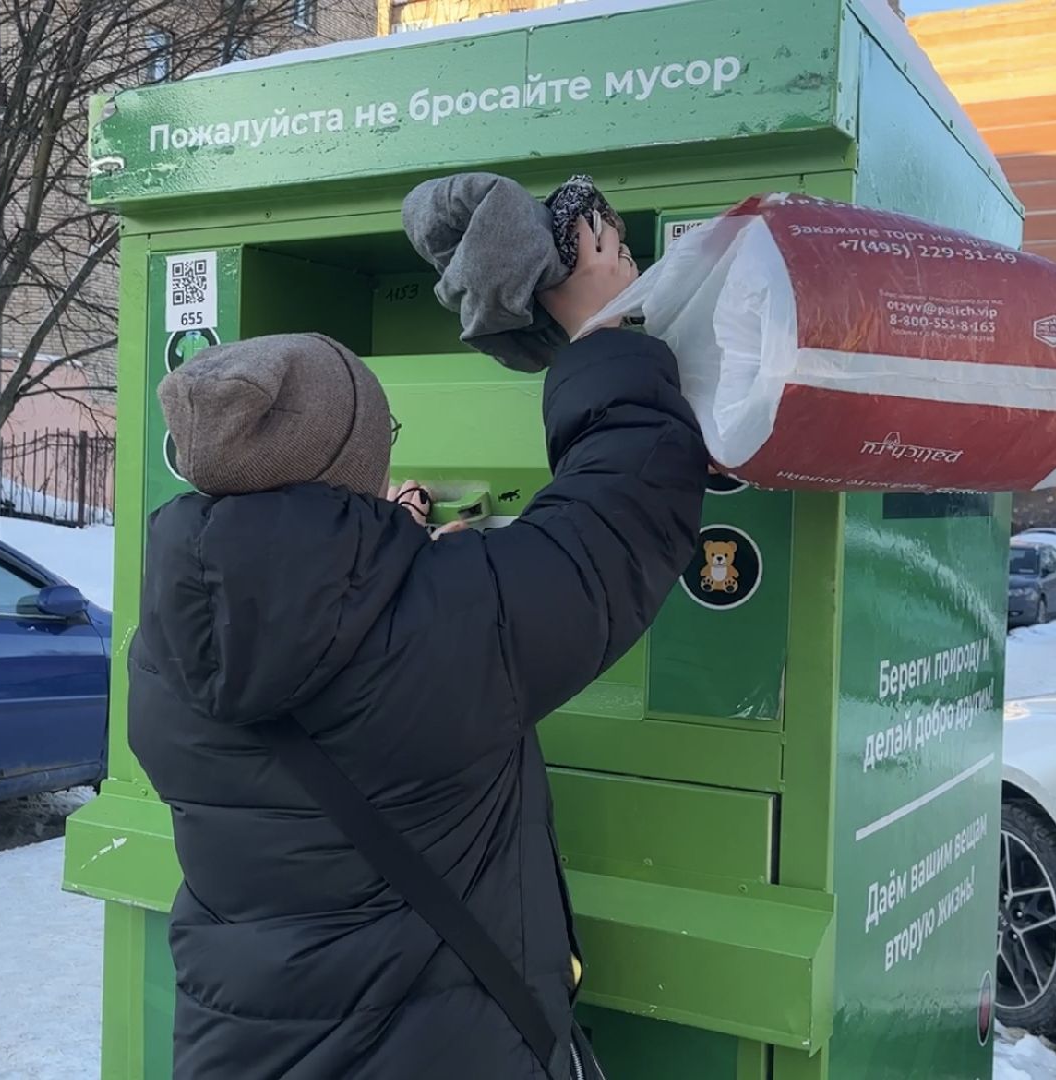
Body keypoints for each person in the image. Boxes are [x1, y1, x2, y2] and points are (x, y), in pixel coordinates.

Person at [129, 218, 707, 1080]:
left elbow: (317, 639)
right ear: (349, 463)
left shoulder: (161, 655)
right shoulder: (448, 624)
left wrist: (389, 553)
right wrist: (602, 329)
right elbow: (625, 513)